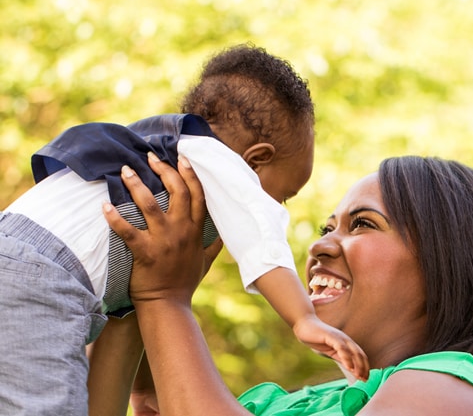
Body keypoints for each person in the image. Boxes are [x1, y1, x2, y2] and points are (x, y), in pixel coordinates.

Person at [0, 44, 367, 415]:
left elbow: (130, 296)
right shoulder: (219, 161)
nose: (275, 205)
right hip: (40, 281)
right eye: (284, 195)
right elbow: (261, 237)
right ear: (256, 161)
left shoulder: (157, 153)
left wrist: (144, 389)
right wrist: (302, 318)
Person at [91, 154, 473, 415]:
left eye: (362, 225)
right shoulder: (279, 404)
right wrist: (136, 285)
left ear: (451, 264)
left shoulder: (452, 392)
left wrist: (166, 299)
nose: (320, 247)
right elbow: (159, 402)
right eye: (327, 228)